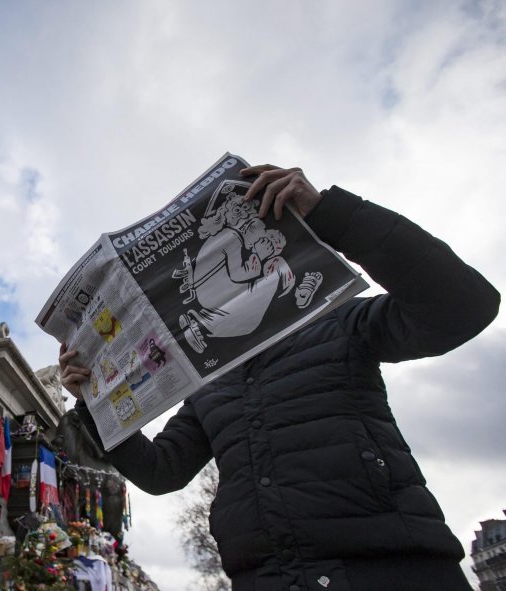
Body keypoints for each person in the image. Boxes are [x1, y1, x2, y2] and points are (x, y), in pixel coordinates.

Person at [59, 165, 500, 591]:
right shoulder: (208, 381)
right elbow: (162, 472)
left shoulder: (338, 319)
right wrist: (94, 401)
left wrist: (331, 214)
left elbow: (463, 307)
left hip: (390, 565)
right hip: (267, 577)